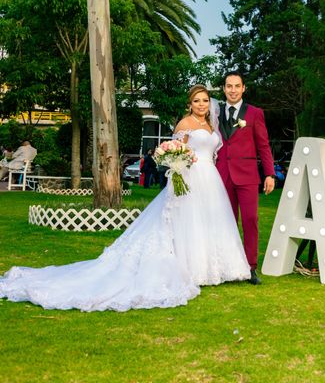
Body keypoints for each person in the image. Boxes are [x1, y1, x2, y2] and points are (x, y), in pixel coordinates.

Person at [0, 85, 250, 311]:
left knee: (209, 221)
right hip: (190, 177)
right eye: (197, 101)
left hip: (211, 179)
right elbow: (177, 151)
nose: (202, 105)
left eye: (205, 100)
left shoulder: (212, 126)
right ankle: (193, 270)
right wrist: (177, 165)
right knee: (188, 222)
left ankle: (215, 268)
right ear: (190, 104)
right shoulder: (184, 125)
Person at [216, 71, 276, 285]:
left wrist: (269, 173)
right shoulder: (215, 112)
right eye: (228, 86)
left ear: (244, 88)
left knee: (250, 220)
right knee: (227, 221)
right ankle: (227, 265)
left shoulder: (254, 113)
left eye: (236, 86)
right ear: (224, 89)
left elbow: (263, 145)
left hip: (248, 175)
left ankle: (250, 267)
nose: (232, 90)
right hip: (222, 175)